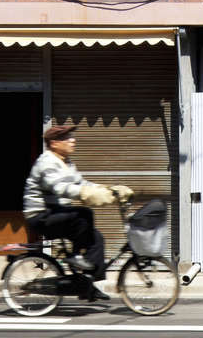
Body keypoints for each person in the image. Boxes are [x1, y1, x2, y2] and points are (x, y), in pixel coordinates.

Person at [22, 124, 134, 300]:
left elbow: (82, 184)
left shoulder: (66, 162)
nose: (73, 140)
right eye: (67, 138)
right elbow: (59, 187)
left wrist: (109, 189)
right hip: (40, 216)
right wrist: (84, 194)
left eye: (71, 136)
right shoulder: (46, 162)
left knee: (97, 238)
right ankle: (75, 257)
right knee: (84, 214)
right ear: (54, 143)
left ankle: (87, 285)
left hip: (56, 212)